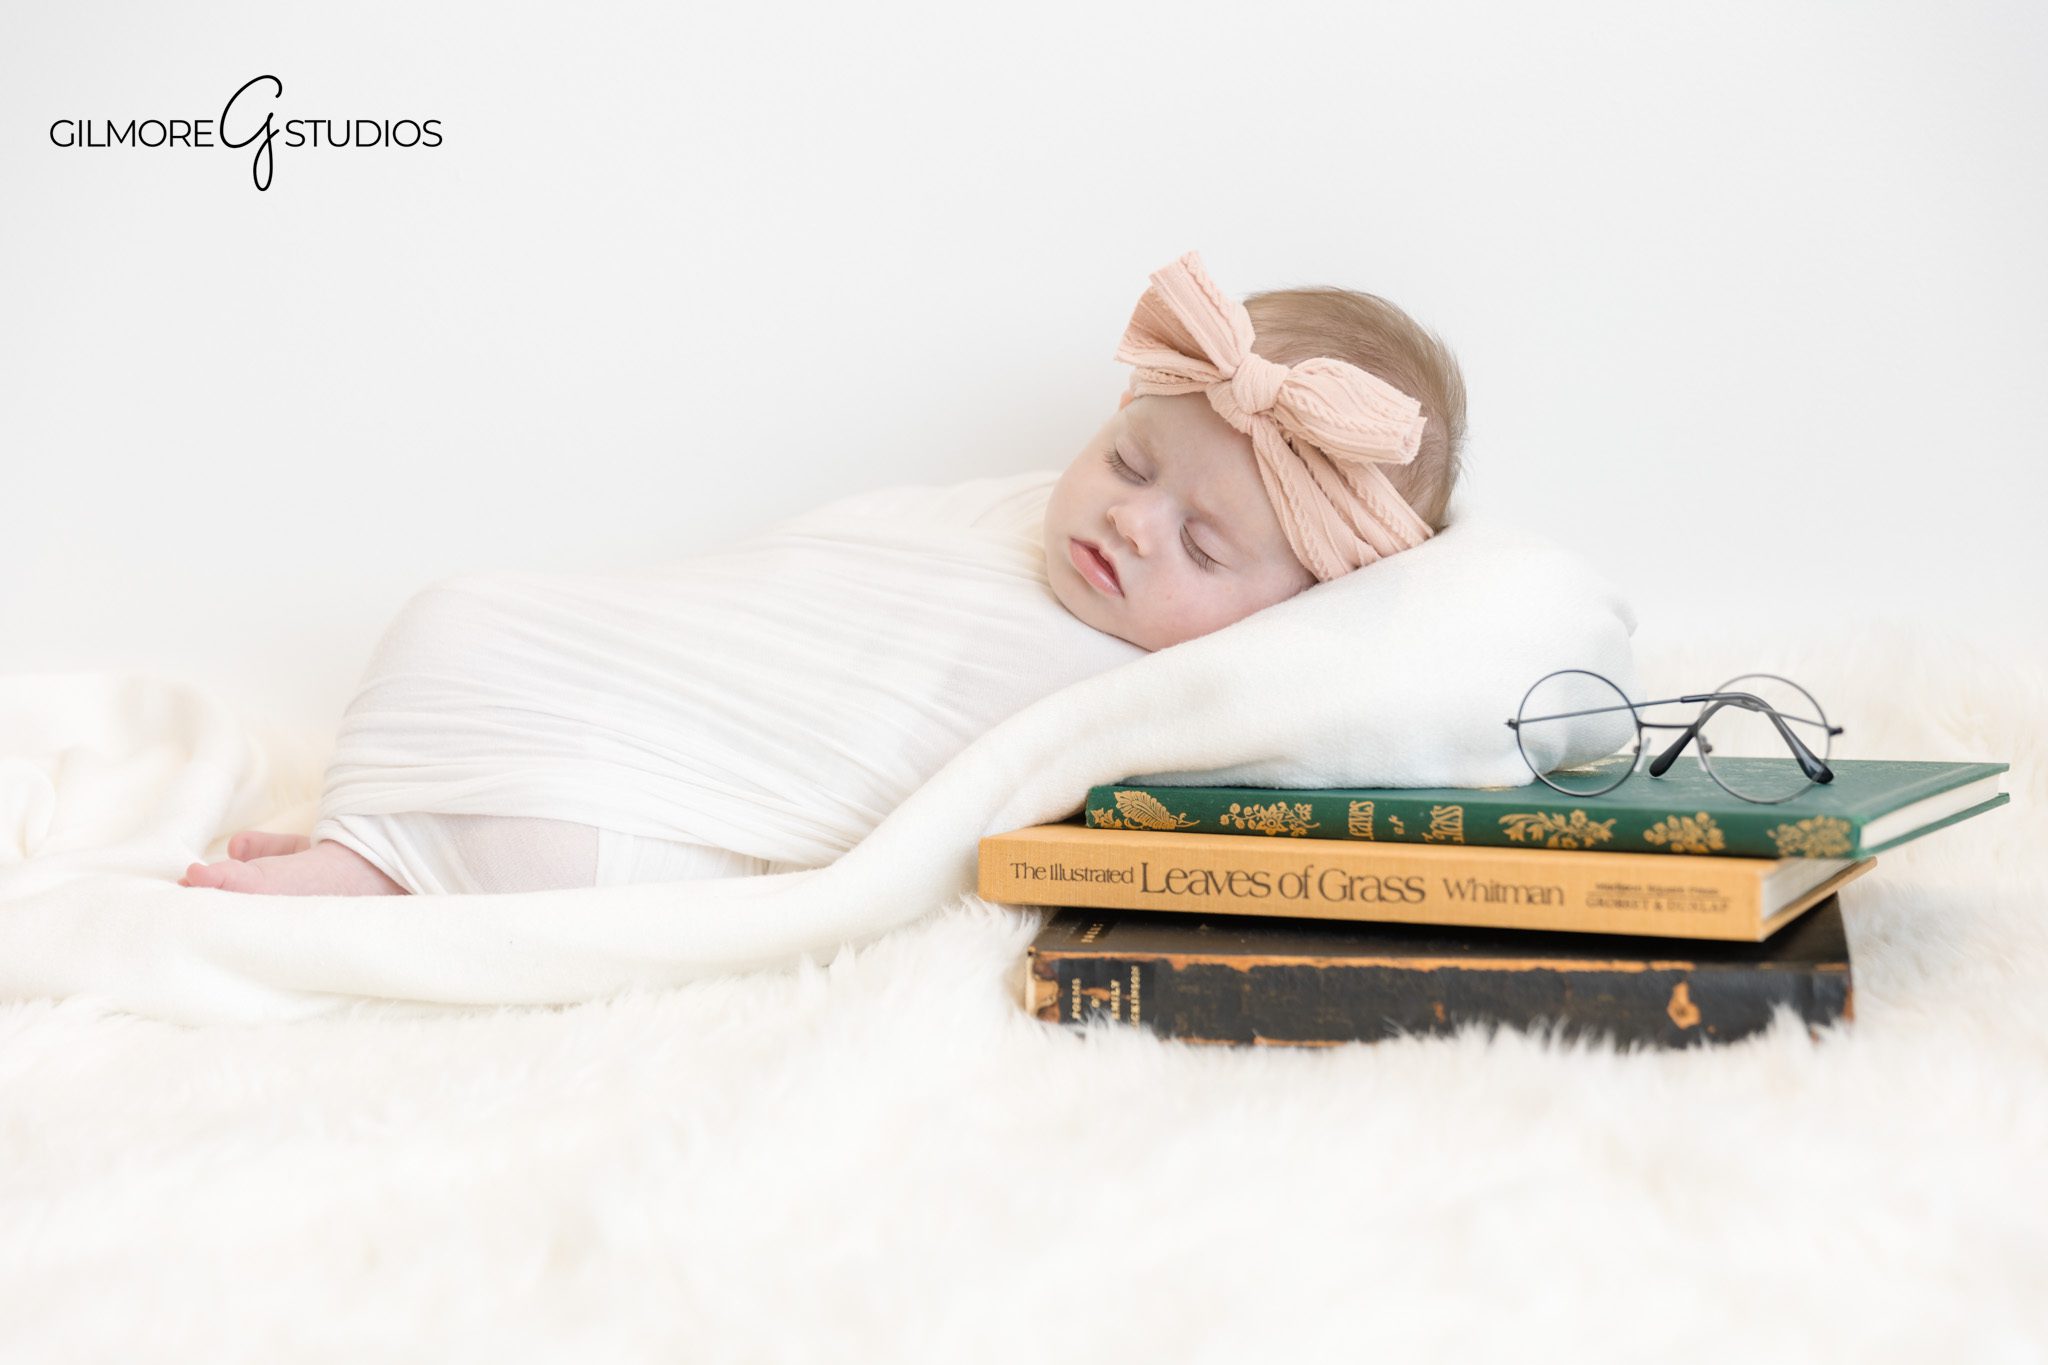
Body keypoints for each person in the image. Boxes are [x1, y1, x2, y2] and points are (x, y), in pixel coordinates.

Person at [181, 250, 1466, 898]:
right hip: (649, 688)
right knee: (456, 611)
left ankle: (388, 871)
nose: (1132, 525)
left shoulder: (1184, 699)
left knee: (592, 851)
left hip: (697, 808)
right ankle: (383, 829)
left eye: (1201, 546)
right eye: (1129, 461)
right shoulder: (998, 522)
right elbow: (785, 591)